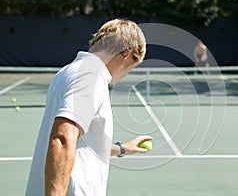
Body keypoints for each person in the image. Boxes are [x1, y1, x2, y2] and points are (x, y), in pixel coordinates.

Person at [26, 18, 153, 196]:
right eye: (132, 65)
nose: (126, 73)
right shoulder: (90, 75)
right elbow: (62, 138)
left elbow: (81, 142)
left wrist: (123, 148)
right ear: (127, 52)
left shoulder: (68, 71)